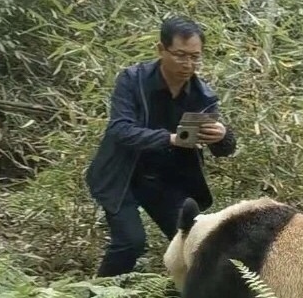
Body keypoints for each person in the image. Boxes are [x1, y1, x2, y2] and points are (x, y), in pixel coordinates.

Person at [85, 16, 237, 278]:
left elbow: (223, 150)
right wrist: (170, 139)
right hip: (120, 176)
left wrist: (222, 135)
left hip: (166, 182)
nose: (188, 64)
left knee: (193, 241)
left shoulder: (203, 95)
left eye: (195, 57)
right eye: (180, 55)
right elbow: (120, 130)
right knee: (130, 242)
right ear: (160, 49)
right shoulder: (132, 81)